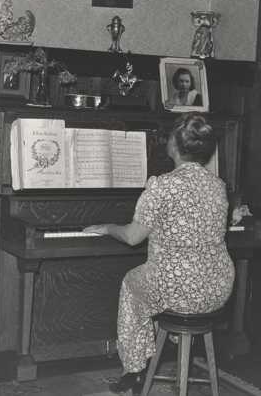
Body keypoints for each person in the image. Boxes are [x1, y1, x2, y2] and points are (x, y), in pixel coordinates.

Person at [83, 112, 235, 393]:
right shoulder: (218, 185)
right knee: (154, 288)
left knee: (131, 284)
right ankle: (163, 350)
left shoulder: (162, 185)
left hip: (176, 288)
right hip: (217, 286)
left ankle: (136, 370)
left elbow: (131, 236)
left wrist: (106, 227)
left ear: (174, 144)